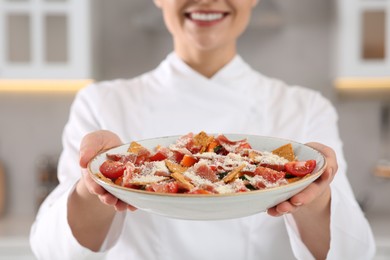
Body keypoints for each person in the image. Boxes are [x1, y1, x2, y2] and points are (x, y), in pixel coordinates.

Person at [30, 0, 376, 259]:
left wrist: (312, 188)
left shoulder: (306, 108)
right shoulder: (101, 102)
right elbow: (54, 249)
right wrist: (97, 181)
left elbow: (352, 252)